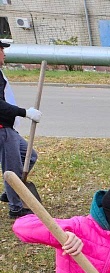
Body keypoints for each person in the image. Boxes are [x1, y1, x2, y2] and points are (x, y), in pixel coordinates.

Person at [0, 40, 41, 218]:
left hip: (8, 127)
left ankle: (9, 191)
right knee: (13, 167)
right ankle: (16, 208)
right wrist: (25, 112)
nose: (4, 53)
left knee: (30, 156)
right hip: (2, 129)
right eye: (1, 49)